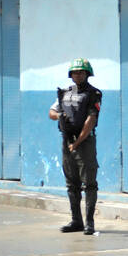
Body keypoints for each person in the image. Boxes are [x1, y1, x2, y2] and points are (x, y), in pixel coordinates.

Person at [49, 58, 102, 234]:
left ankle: (90, 223)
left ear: (87, 74)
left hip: (84, 142)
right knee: (71, 183)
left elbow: (91, 120)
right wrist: (59, 117)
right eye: (74, 72)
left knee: (89, 183)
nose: (77, 75)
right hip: (67, 140)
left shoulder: (93, 93)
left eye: (81, 72)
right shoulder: (64, 93)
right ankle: (76, 221)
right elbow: (51, 112)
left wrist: (77, 142)